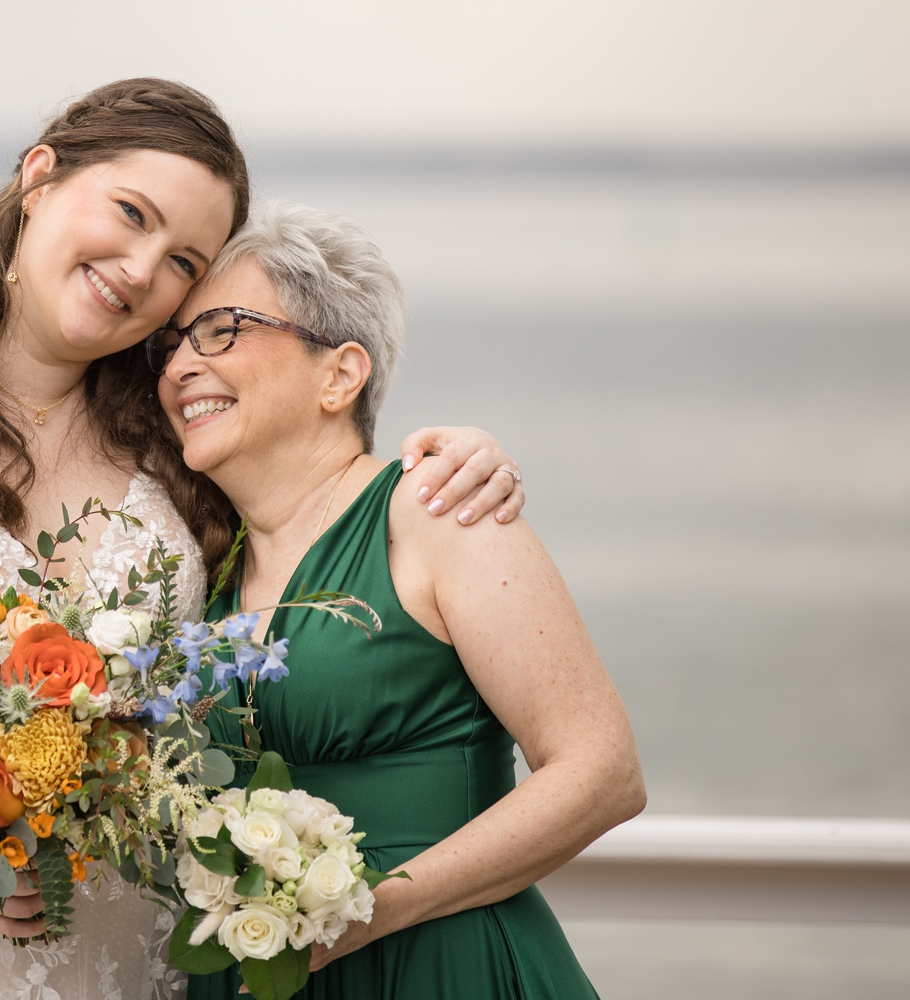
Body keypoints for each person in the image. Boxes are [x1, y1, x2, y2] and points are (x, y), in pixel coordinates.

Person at [0, 80, 529, 1000]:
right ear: (41, 178)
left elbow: (320, 497)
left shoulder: (180, 440)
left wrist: (455, 458)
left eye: (184, 261)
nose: (141, 270)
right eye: (130, 214)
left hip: (130, 963)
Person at [156, 202, 645, 999]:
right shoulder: (202, 562)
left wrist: (373, 911)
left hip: (437, 965)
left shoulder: (436, 511)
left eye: (221, 330)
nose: (179, 365)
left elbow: (603, 772)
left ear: (341, 373)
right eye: (171, 343)